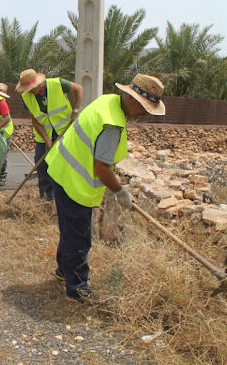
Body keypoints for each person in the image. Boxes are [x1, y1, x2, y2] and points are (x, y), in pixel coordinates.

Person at [44, 74, 166, 303]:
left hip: (61, 170)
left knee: (69, 230)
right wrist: (120, 192)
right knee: (79, 238)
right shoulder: (112, 125)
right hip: (75, 183)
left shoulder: (107, 101)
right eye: (143, 108)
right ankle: (77, 287)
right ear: (131, 99)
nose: (144, 114)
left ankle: (63, 272)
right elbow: (101, 168)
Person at [15, 69, 83, 199]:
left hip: (64, 132)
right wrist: (47, 140)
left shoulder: (58, 84)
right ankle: (47, 198)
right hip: (43, 135)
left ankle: (66, 197)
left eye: (32, 88)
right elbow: (35, 121)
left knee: (65, 164)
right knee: (42, 166)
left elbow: (79, 89)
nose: (30, 91)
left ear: (39, 84)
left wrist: (75, 111)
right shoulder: (26, 97)